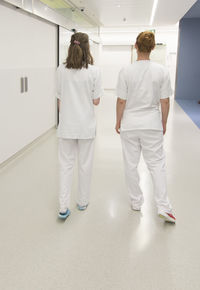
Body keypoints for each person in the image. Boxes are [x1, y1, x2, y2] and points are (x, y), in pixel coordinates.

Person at [115, 31, 176, 223]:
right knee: (157, 165)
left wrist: (118, 121)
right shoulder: (162, 71)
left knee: (130, 164)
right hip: (152, 123)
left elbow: (121, 101)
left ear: (135, 46)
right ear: (152, 48)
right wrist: (163, 122)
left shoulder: (126, 71)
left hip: (130, 124)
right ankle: (164, 206)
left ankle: (136, 201)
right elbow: (164, 101)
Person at [56, 32, 103, 219]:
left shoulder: (61, 69)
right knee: (85, 165)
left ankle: (62, 207)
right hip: (86, 127)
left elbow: (60, 100)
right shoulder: (94, 71)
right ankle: (82, 202)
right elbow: (96, 101)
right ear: (87, 48)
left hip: (67, 126)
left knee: (65, 166)